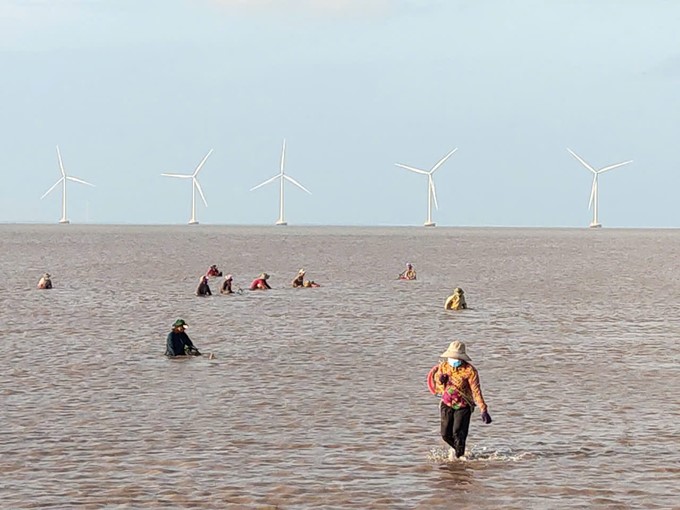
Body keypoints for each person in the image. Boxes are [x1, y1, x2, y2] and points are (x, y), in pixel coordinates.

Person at [428, 341, 492, 460]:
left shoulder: (470, 371)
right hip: (447, 404)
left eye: (457, 358)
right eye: (452, 357)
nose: (454, 360)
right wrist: (440, 380)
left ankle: (459, 460)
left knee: (458, 433)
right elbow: (436, 381)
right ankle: (461, 453)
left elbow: (476, 391)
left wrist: (483, 409)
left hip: (463, 406)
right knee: (445, 434)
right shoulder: (443, 366)